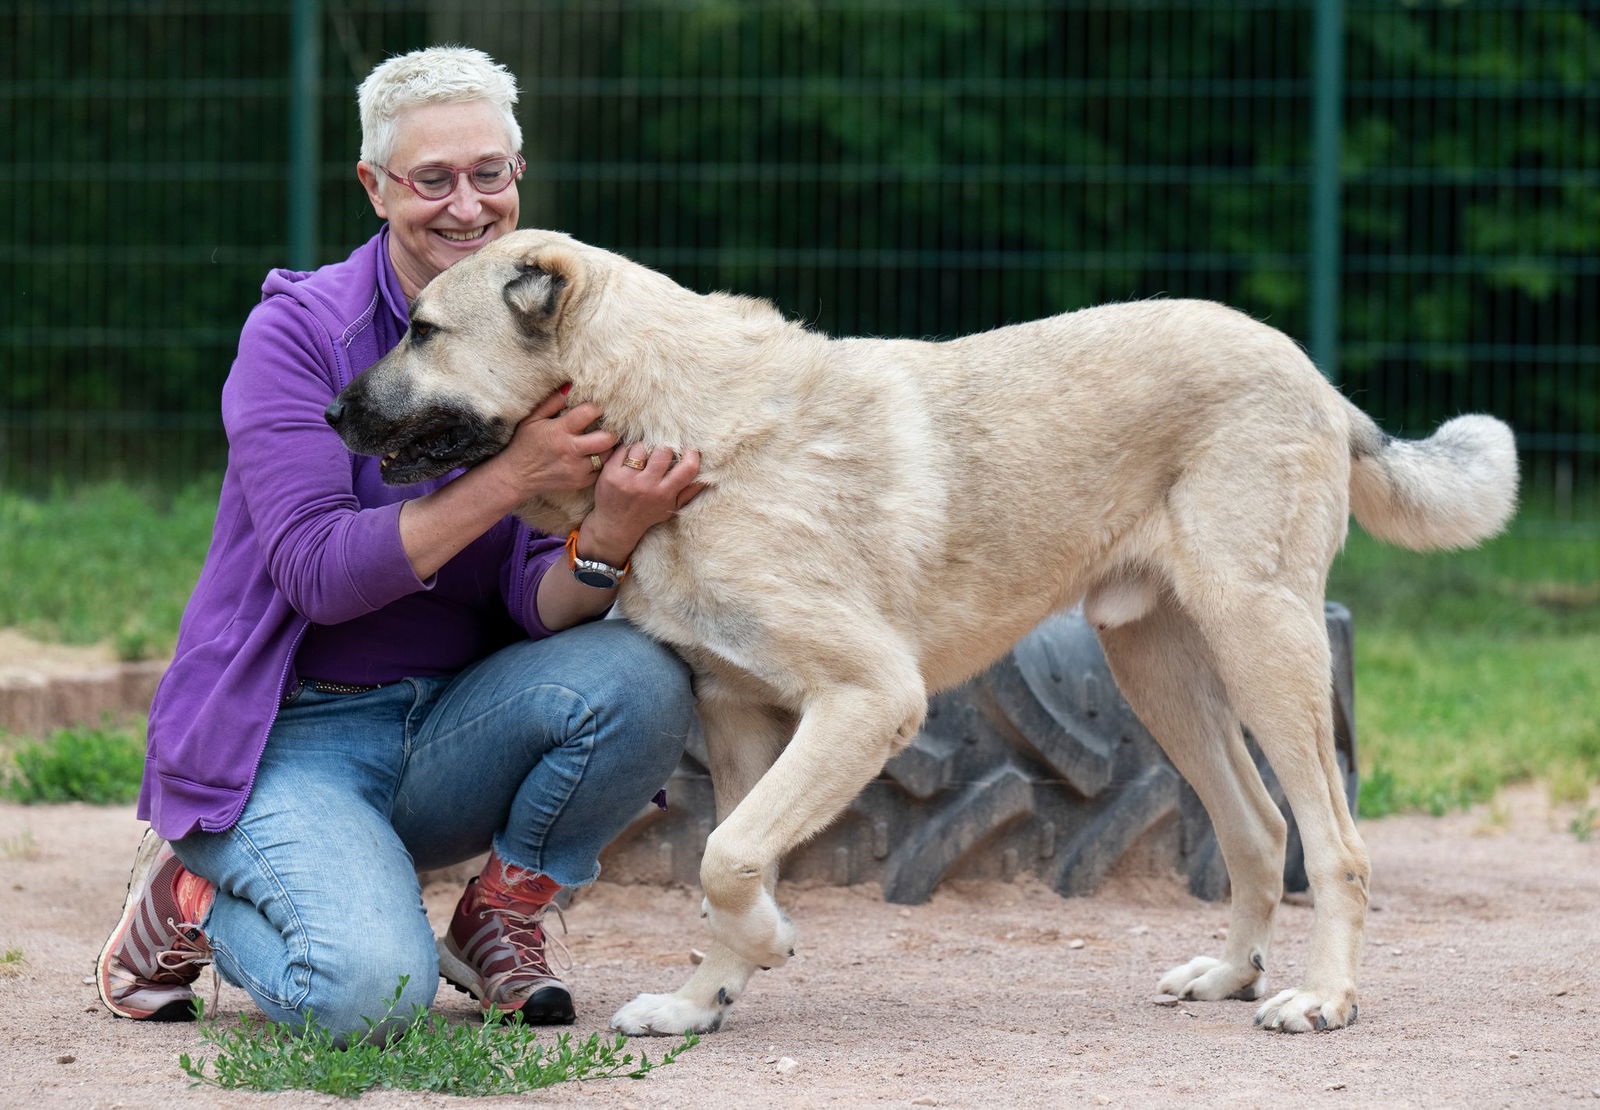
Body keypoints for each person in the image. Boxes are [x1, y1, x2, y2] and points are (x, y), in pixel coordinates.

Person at [94, 45, 702, 1043]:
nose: (466, 206)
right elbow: (321, 574)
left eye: (487, 174)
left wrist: (611, 534)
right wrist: (514, 476)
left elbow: (527, 597)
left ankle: (498, 916)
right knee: (367, 999)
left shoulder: (544, 336)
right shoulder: (297, 333)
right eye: (432, 180)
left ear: (519, 178)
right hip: (288, 742)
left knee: (641, 674)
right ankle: (192, 896)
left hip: (453, 727)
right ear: (376, 187)